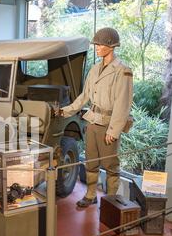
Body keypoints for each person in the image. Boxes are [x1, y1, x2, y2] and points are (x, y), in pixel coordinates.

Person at [57, 27, 133, 207]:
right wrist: (65, 111)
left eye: (99, 44)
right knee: (91, 162)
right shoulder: (94, 69)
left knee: (110, 166)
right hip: (92, 122)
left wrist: (114, 131)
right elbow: (84, 96)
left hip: (108, 125)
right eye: (96, 44)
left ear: (111, 46)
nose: (96, 47)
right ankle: (90, 195)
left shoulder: (122, 71)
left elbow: (123, 104)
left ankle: (110, 201)